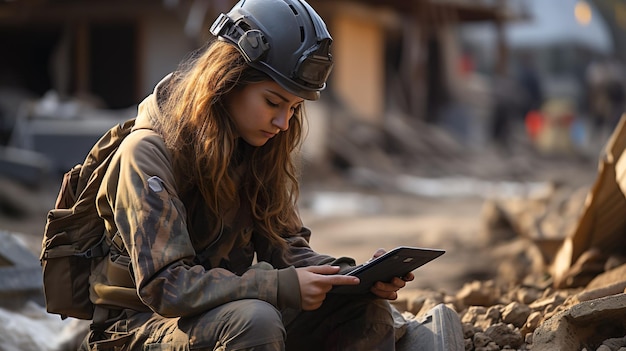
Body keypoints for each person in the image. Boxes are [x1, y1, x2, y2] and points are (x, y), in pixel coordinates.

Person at [79, 0, 413, 350]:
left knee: (363, 310)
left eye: (294, 108)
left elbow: (286, 249)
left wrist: (355, 277)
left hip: (221, 312)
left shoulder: (254, 150)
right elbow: (167, 286)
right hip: (136, 327)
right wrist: (278, 286)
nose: (283, 123)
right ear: (227, 82)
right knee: (256, 320)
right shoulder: (146, 155)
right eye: (273, 102)